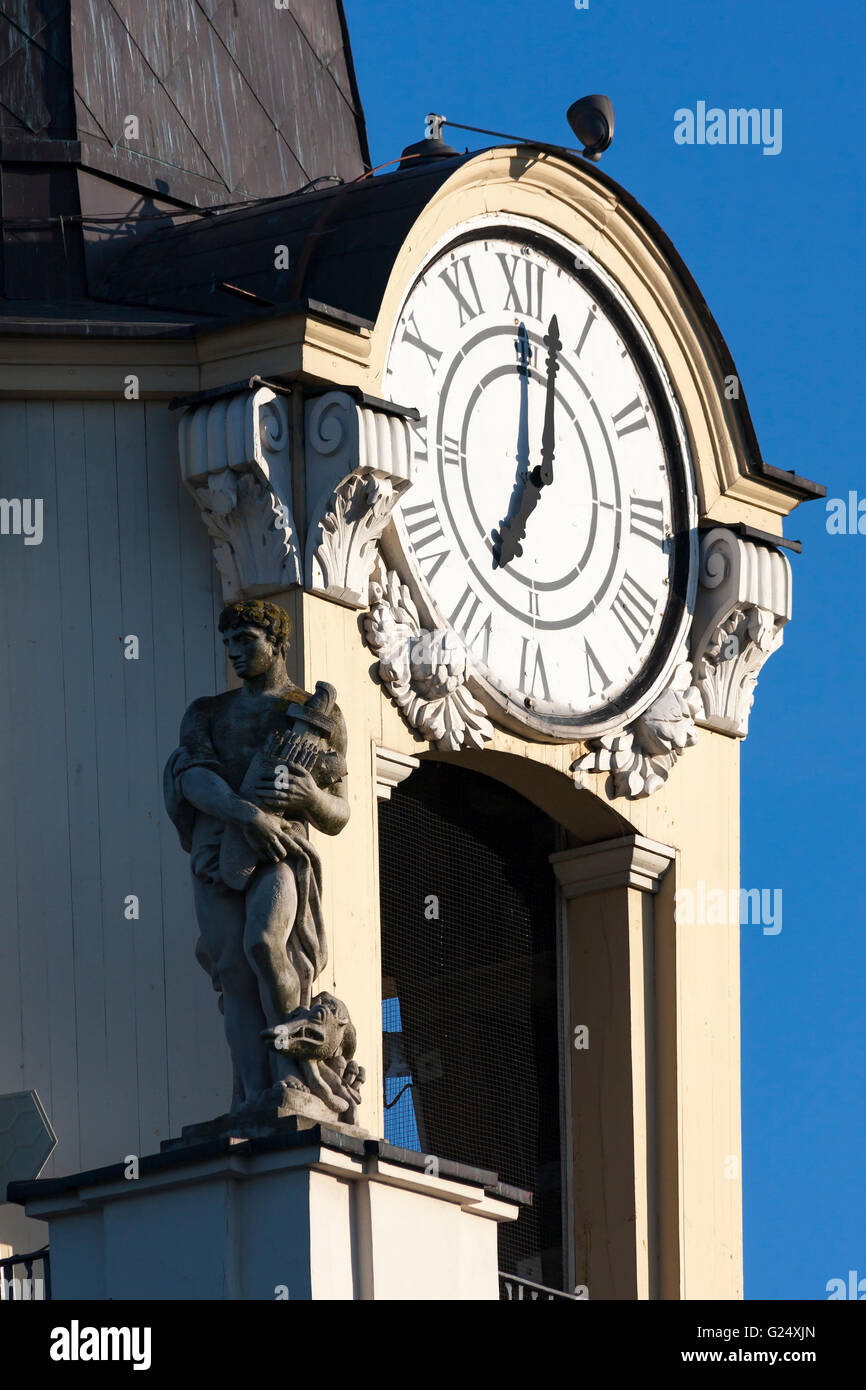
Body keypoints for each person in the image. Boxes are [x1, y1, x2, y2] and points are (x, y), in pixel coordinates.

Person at [164, 599, 349, 1110]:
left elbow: (339, 812)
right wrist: (249, 815)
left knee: (268, 945)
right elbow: (193, 778)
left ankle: (293, 1071)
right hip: (219, 848)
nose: (235, 653)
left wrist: (310, 798)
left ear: (277, 643)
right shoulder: (207, 713)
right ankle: (252, 1094)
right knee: (231, 970)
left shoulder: (313, 716)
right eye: (229, 643)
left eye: (246, 641)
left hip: (281, 852)